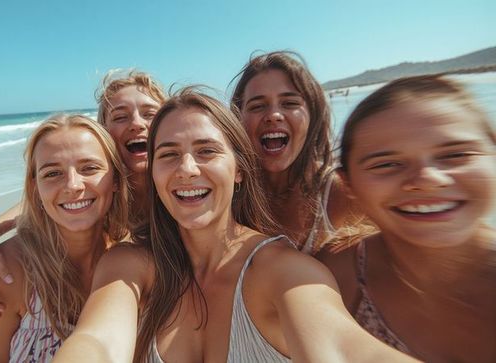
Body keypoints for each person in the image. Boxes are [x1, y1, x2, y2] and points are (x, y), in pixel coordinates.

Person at [53, 89, 417, 363]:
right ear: (154, 173)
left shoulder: (282, 271)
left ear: (240, 168)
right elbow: (96, 342)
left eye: (207, 151)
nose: (187, 169)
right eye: (168, 154)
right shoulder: (129, 265)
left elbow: (343, 348)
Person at [320, 75, 496, 362]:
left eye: (455, 155)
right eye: (387, 164)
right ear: (347, 184)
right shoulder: (336, 275)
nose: (428, 179)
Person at [0, 71, 165, 318]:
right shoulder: (100, 196)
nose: (136, 123)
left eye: (150, 114)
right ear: (103, 134)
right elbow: (44, 200)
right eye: (120, 116)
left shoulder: (178, 192)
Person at [0, 114, 129, 362]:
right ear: (35, 188)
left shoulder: (133, 262)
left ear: (115, 179)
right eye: (52, 173)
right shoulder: (8, 272)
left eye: (89, 168)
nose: (72, 185)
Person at [230, 50, 362, 255]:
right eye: (257, 106)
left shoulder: (342, 193)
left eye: (290, 103)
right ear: (238, 121)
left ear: (312, 115)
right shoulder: (231, 196)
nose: (273, 115)